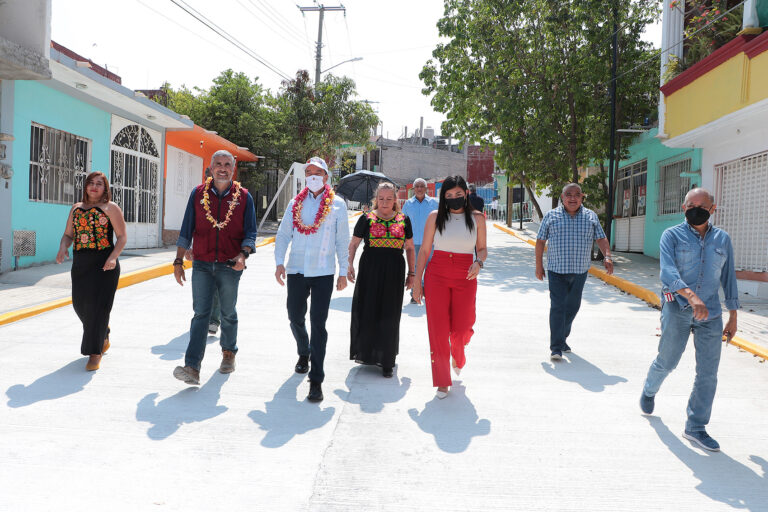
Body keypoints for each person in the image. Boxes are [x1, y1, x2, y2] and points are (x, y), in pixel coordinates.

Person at [640, 188, 739, 452]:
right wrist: (691, 297)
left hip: (712, 315)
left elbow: (728, 279)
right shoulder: (671, 235)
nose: (696, 209)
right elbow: (668, 272)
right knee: (667, 361)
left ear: (713, 209)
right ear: (683, 208)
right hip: (678, 308)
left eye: (702, 205)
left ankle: (696, 427)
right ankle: (649, 390)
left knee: (708, 373)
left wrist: (733, 316)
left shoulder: (722, 239)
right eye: (691, 205)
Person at [172, 150, 257, 385]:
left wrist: (243, 255)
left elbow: (251, 232)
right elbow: (186, 229)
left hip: (230, 265)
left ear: (233, 169)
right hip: (201, 264)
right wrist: (178, 261)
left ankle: (228, 352)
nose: (222, 168)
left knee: (228, 312)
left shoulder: (244, 197)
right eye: (218, 164)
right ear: (210, 168)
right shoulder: (198, 194)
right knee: (201, 314)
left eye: (227, 164)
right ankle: (192, 367)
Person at [275, 156, 350, 402]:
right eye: (309, 173)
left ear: (327, 177)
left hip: (323, 272)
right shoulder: (295, 203)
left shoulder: (338, 205)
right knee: (295, 316)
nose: (313, 176)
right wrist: (279, 262)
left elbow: (341, 241)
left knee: (318, 324)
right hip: (296, 268)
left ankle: (316, 380)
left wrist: (342, 271)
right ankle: (303, 351)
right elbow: (284, 234)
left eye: (318, 172)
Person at [412, 175, 487, 399]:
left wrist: (479, 262)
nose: (454, 198)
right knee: (438, 329)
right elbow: (424, 251)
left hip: (466, 274)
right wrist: (418, 282)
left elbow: (482, 249)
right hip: (437, 275)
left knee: (463, 328)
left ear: (466, 194)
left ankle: (459, 352)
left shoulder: (477, 218)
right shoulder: (435, 217)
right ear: (443, 197)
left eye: (458, 194)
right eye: (449, 195)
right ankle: (442, 381)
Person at [56, 171, 127, 371]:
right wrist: (63, 247)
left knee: (98, 308)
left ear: (105, 188)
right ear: (85, 186)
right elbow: (68, 234)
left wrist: (113, 257)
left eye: (99, 184)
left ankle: (94, 353)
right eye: (91, 183)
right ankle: (102, 332)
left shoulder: (110, 208)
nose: (94, 187)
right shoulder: (76, 209)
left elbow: (121, 237)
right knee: (80, 306)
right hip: (81, 264)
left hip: (105, 263)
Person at [535, 183, 613, 360]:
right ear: (562, 198)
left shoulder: (590, 216)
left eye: (576, 195)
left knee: (572, 307)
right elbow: (540, 242)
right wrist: (538, 266)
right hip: (556, 270)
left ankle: (562, 338)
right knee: (557, 307)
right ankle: (556, 347)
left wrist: (607, 256)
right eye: (568, 194)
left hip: (580, 271)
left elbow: (601, 238)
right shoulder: (551, 216)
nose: (572, 198)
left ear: (581, 197)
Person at [347, 182, 416, 377]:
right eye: (381, 199)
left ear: (395, 200)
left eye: (389, 199)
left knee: (390, 313)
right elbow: (353, 244)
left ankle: (387, 360)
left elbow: (410, 248)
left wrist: (412, 274)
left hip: (394, 270)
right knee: (368, 309)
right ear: (376, 199)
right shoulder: (366, 218)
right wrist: (349, 265)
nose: (385, 203)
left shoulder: (404, 220)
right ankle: (367, 352)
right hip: (370, 269)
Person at [185, 167, 222, 336]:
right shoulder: (199, 196)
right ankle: (201, 317)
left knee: (216, 290)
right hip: (202, 253)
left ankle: (214, 320)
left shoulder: (228, 196)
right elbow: (193, 224)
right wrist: (188, 247)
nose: (210, 180)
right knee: (202, 291)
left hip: (222, 254)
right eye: (208, 177)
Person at [402, 178, 438, 304]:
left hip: (430, 243)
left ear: (426, 188)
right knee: (415, 269)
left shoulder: (434, 204)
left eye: (422, 186)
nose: (419, 188)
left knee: (429, 269)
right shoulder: (408, 204)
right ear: (413, 189)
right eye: (417, 186)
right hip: (413, 242)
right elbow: (402, 223)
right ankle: (414, 294)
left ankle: (428, 292)